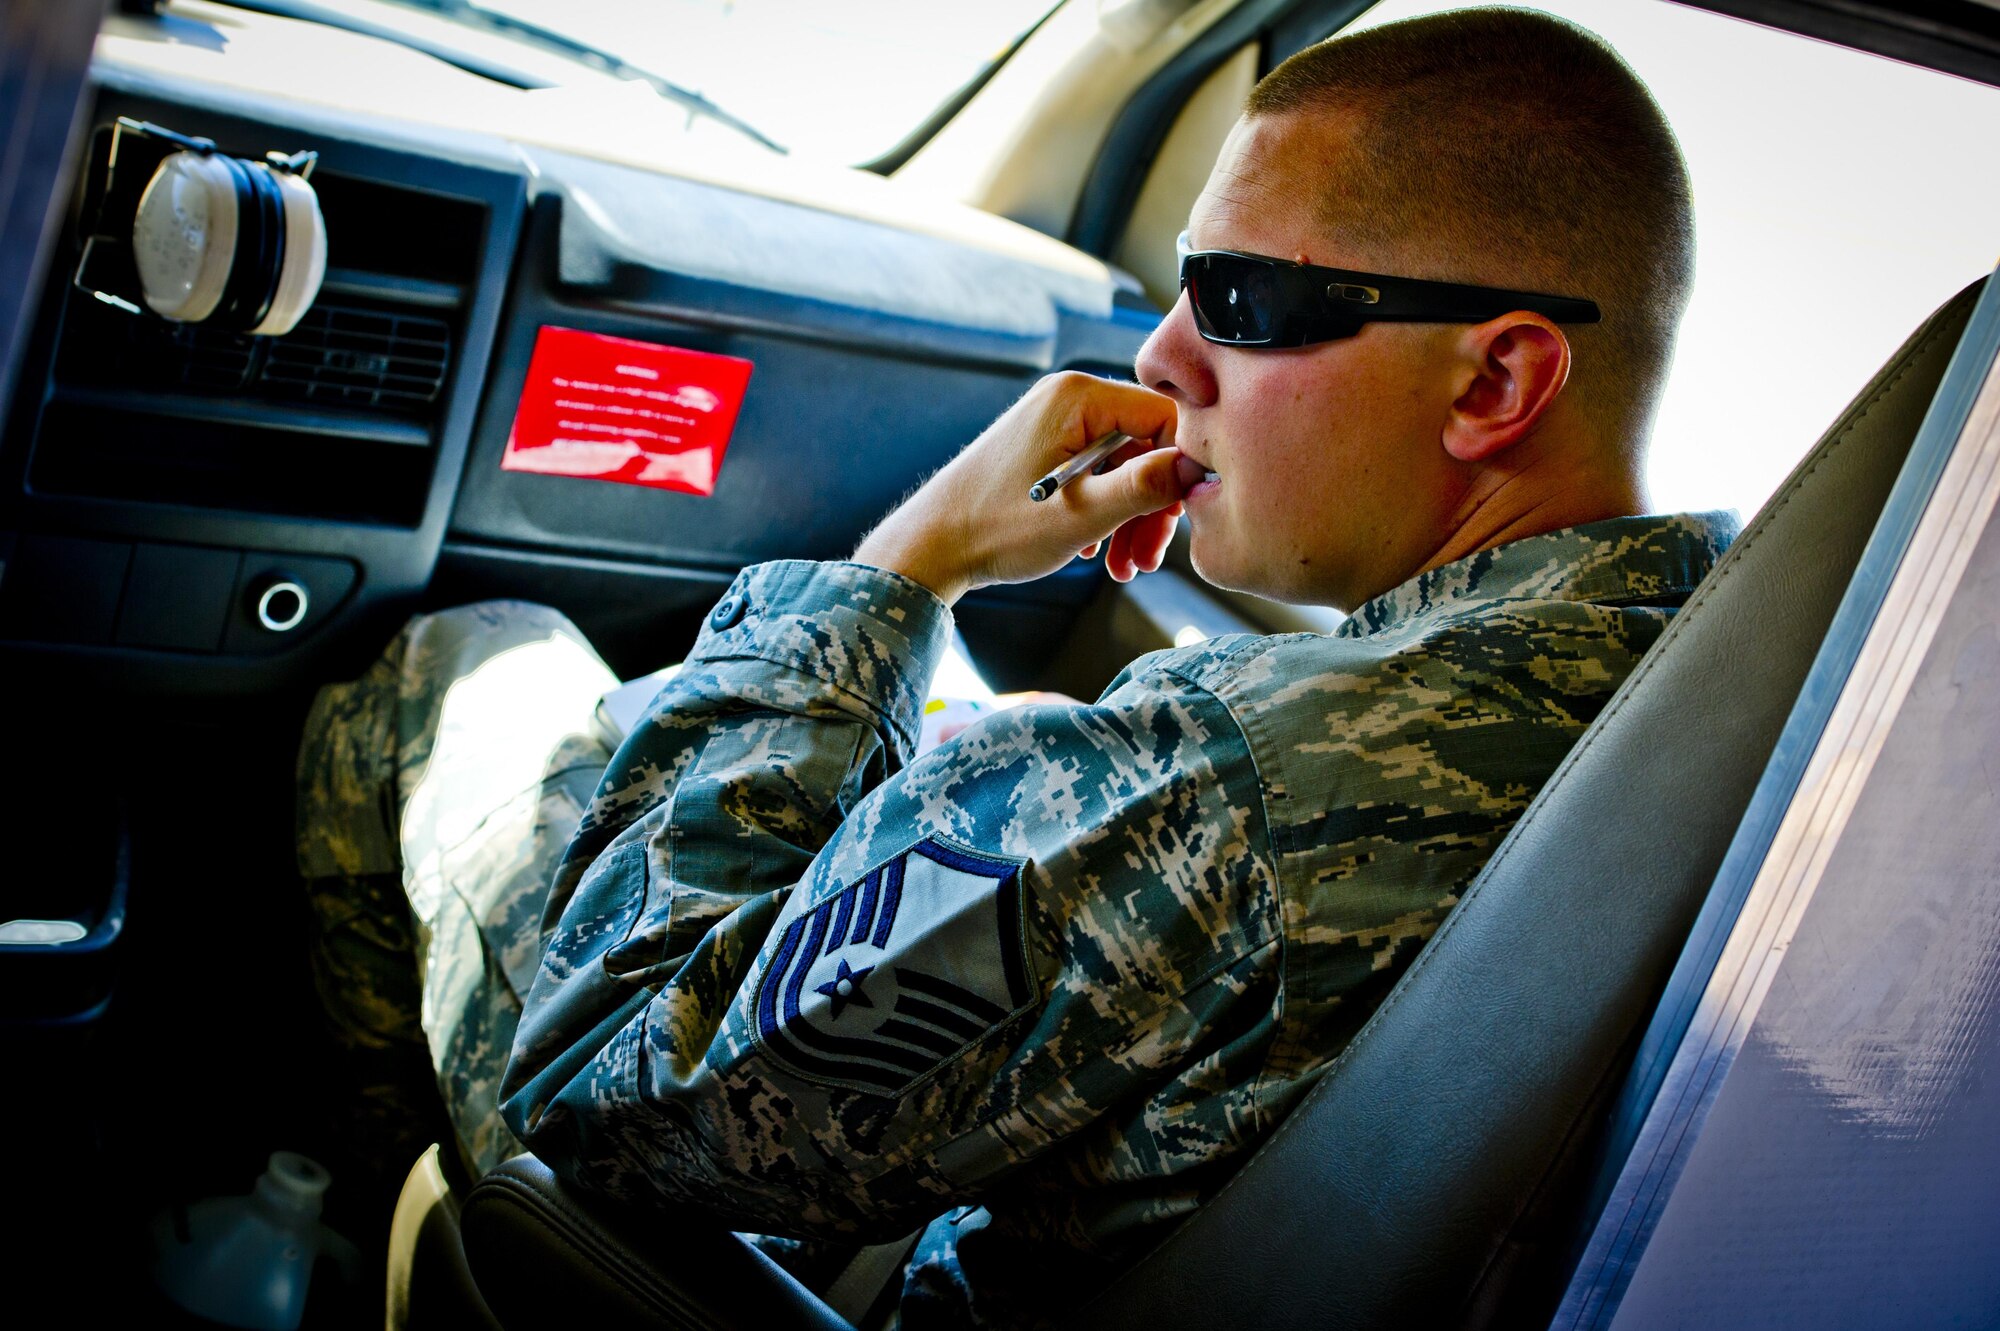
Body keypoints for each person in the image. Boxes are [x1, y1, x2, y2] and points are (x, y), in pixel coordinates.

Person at [296, 8, 1737, 1326]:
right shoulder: (1731, 694)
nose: (1164, 350)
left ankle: (364, 1254)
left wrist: (903, 567)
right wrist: (1029, 768)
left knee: (473, 665)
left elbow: (600, 1076)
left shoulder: (1228, 780)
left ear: (1495, 381)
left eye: (1239, 300)